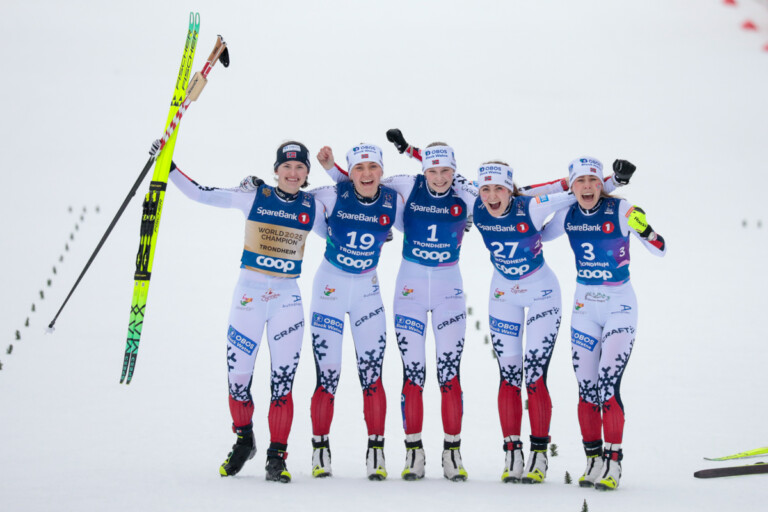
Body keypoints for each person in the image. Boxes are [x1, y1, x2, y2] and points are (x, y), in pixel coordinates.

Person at [160, 140, 325, 483]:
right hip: (248, 298)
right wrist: (169, 165)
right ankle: (243, 438)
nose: (293, 173)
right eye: (286, 167)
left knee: (282, 382)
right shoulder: (254, 196)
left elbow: (344, 226)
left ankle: (276, 456)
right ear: (276, 170)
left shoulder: (314, 204)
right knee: (238, 380)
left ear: (307, 173)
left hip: (286, 299)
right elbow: (202, 194)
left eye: (299, 168)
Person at [320, 130, 477, 481]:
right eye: (432, 171)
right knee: (414, 373)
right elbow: (363, 184)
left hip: (450, 291)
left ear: (454, 172)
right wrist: (332, 170)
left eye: (445, 172)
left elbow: (511, 197)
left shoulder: (467, 192)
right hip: (410, 290)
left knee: (450, 373)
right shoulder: (407, 184)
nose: (439, 178)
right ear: (424, 171)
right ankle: (414, 452)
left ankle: (453, 452)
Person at [541, 157, 666, 490]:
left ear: (602, 184)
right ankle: (593, 459)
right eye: (579, 182)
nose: (586, 187)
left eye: (592, 181)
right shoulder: (568, 213)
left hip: (619, 306)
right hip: (585, 309)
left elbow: (660, 249)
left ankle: (614, 461)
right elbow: (538, 234)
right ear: (572, 186)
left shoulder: (621, 209)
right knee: (586, 389)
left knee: (607, 384)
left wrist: (644, 228)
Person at [308, 143, 404, 480]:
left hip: (367, 292)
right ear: (350, 173)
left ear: (381, 171)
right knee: (328, 375)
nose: (366, 174)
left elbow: (421, 216)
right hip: (330, 290)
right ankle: (320, 449)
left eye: (372, 168)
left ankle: (376, 450)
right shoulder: (333, 194)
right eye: (358, 168)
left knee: (372, 374)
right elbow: (292, 199)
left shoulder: (393, 199)